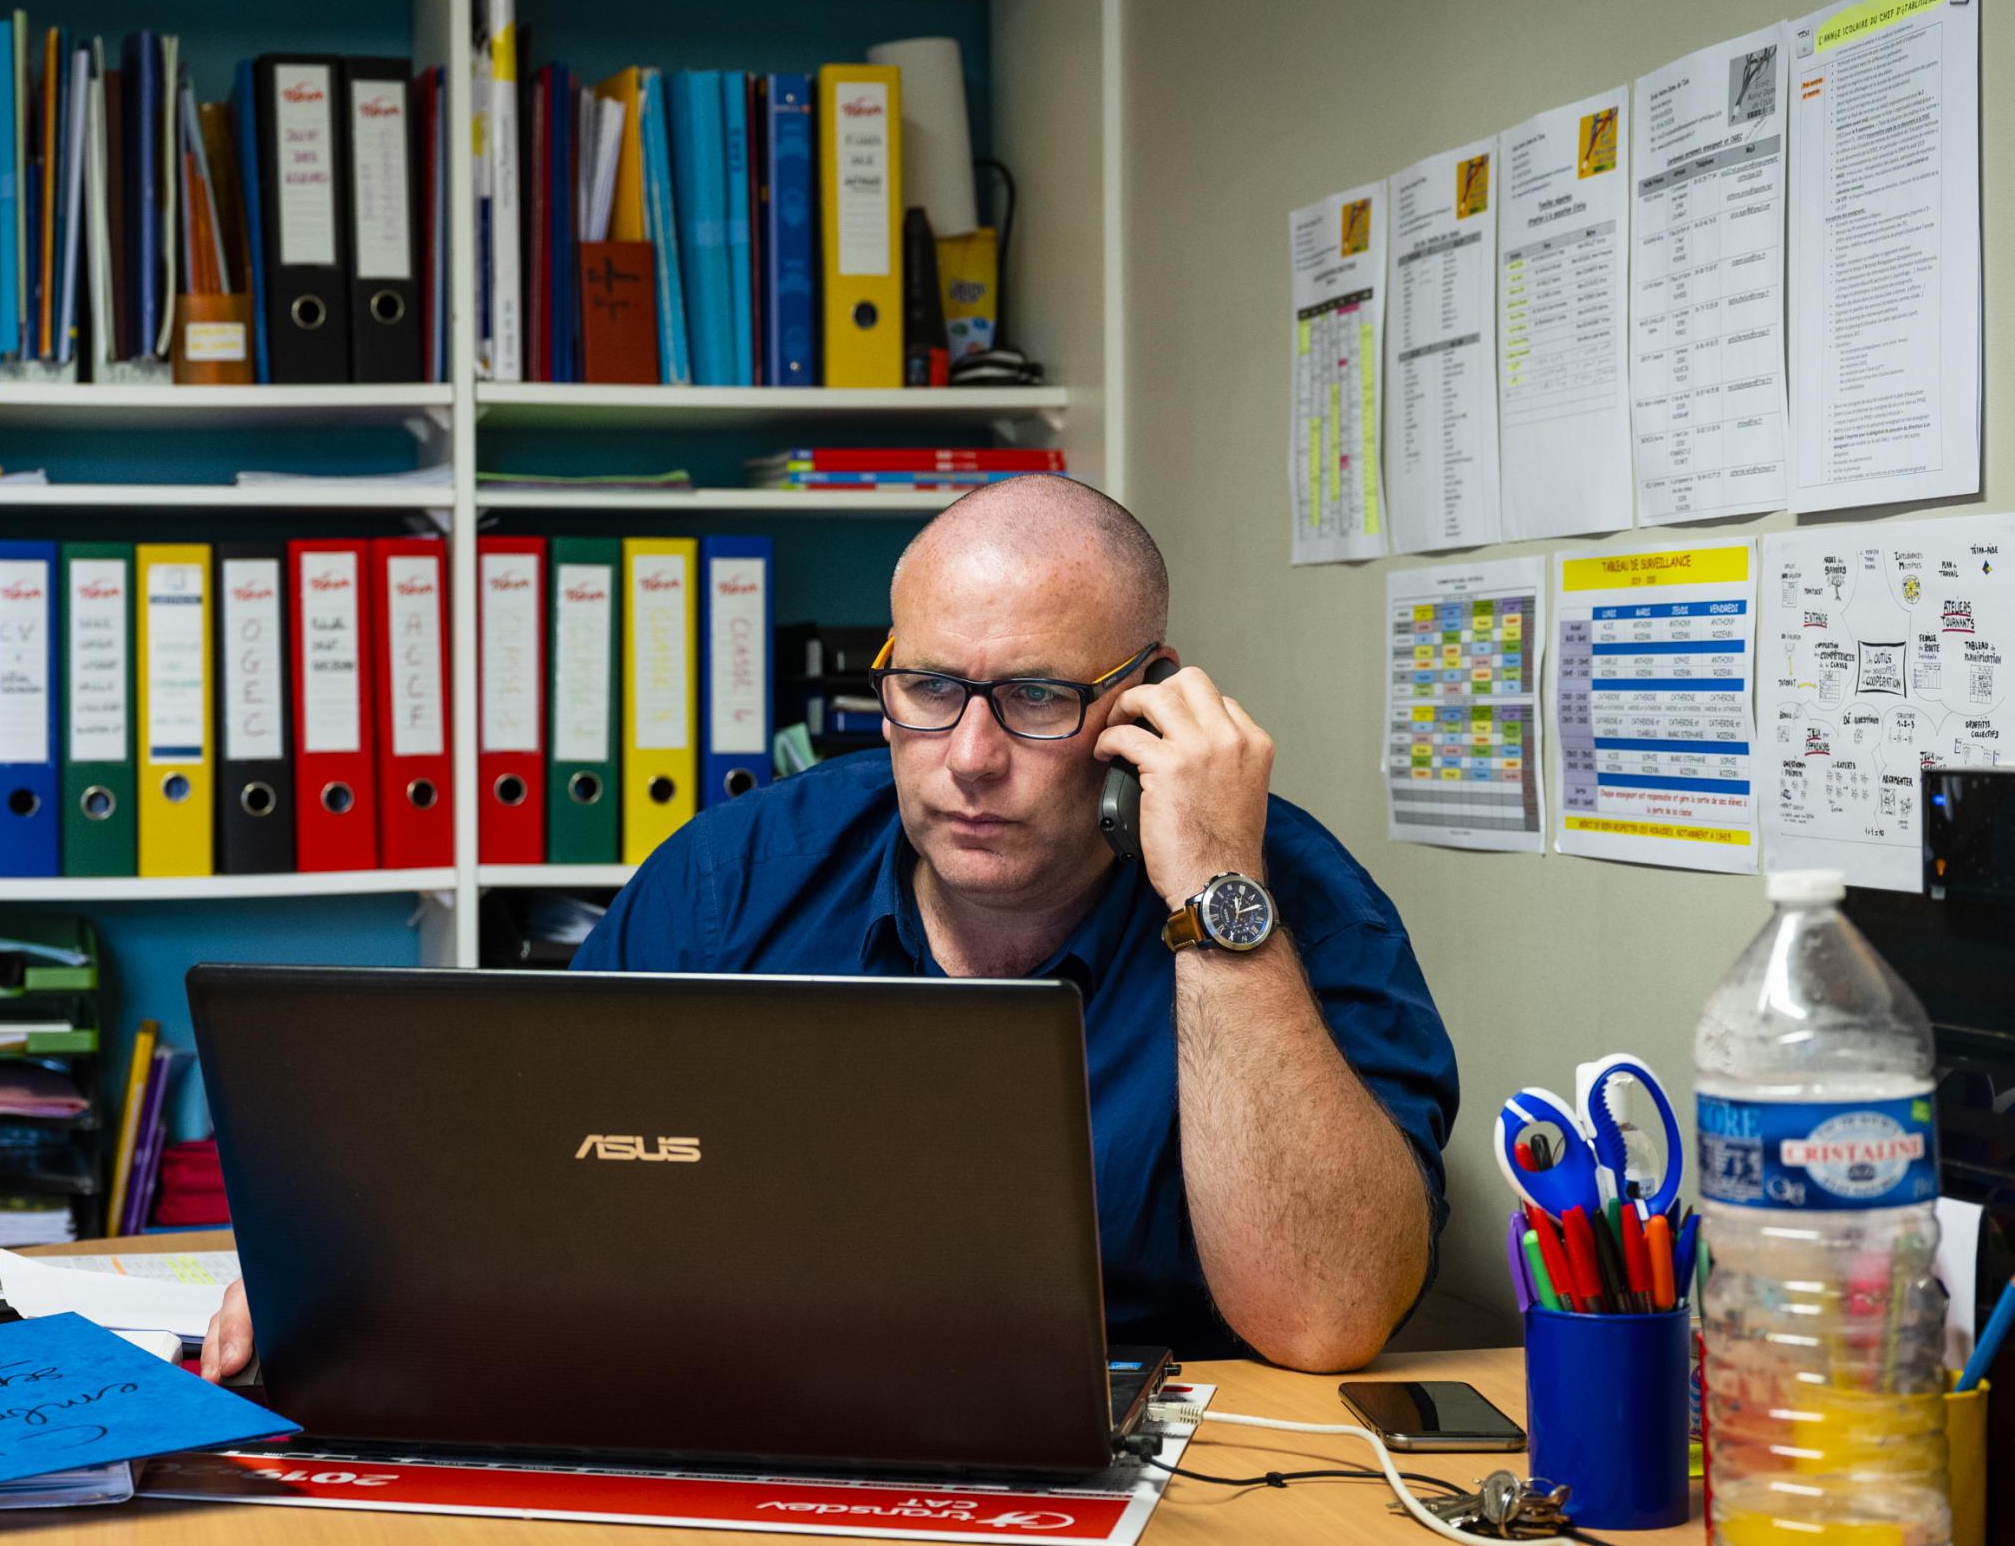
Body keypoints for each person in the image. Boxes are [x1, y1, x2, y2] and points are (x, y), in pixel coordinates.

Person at [204, 475, 1458, 1377]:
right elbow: (520, 1160)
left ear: (1149, 701)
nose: (967, 759)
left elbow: (1324, 1320)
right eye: (926, 689)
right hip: (746, 1419)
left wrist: (1213, 908)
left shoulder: (1281, 896)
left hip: (1155, 1461)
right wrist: (340, 1266)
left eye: (1031, 697)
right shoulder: (739, 877)